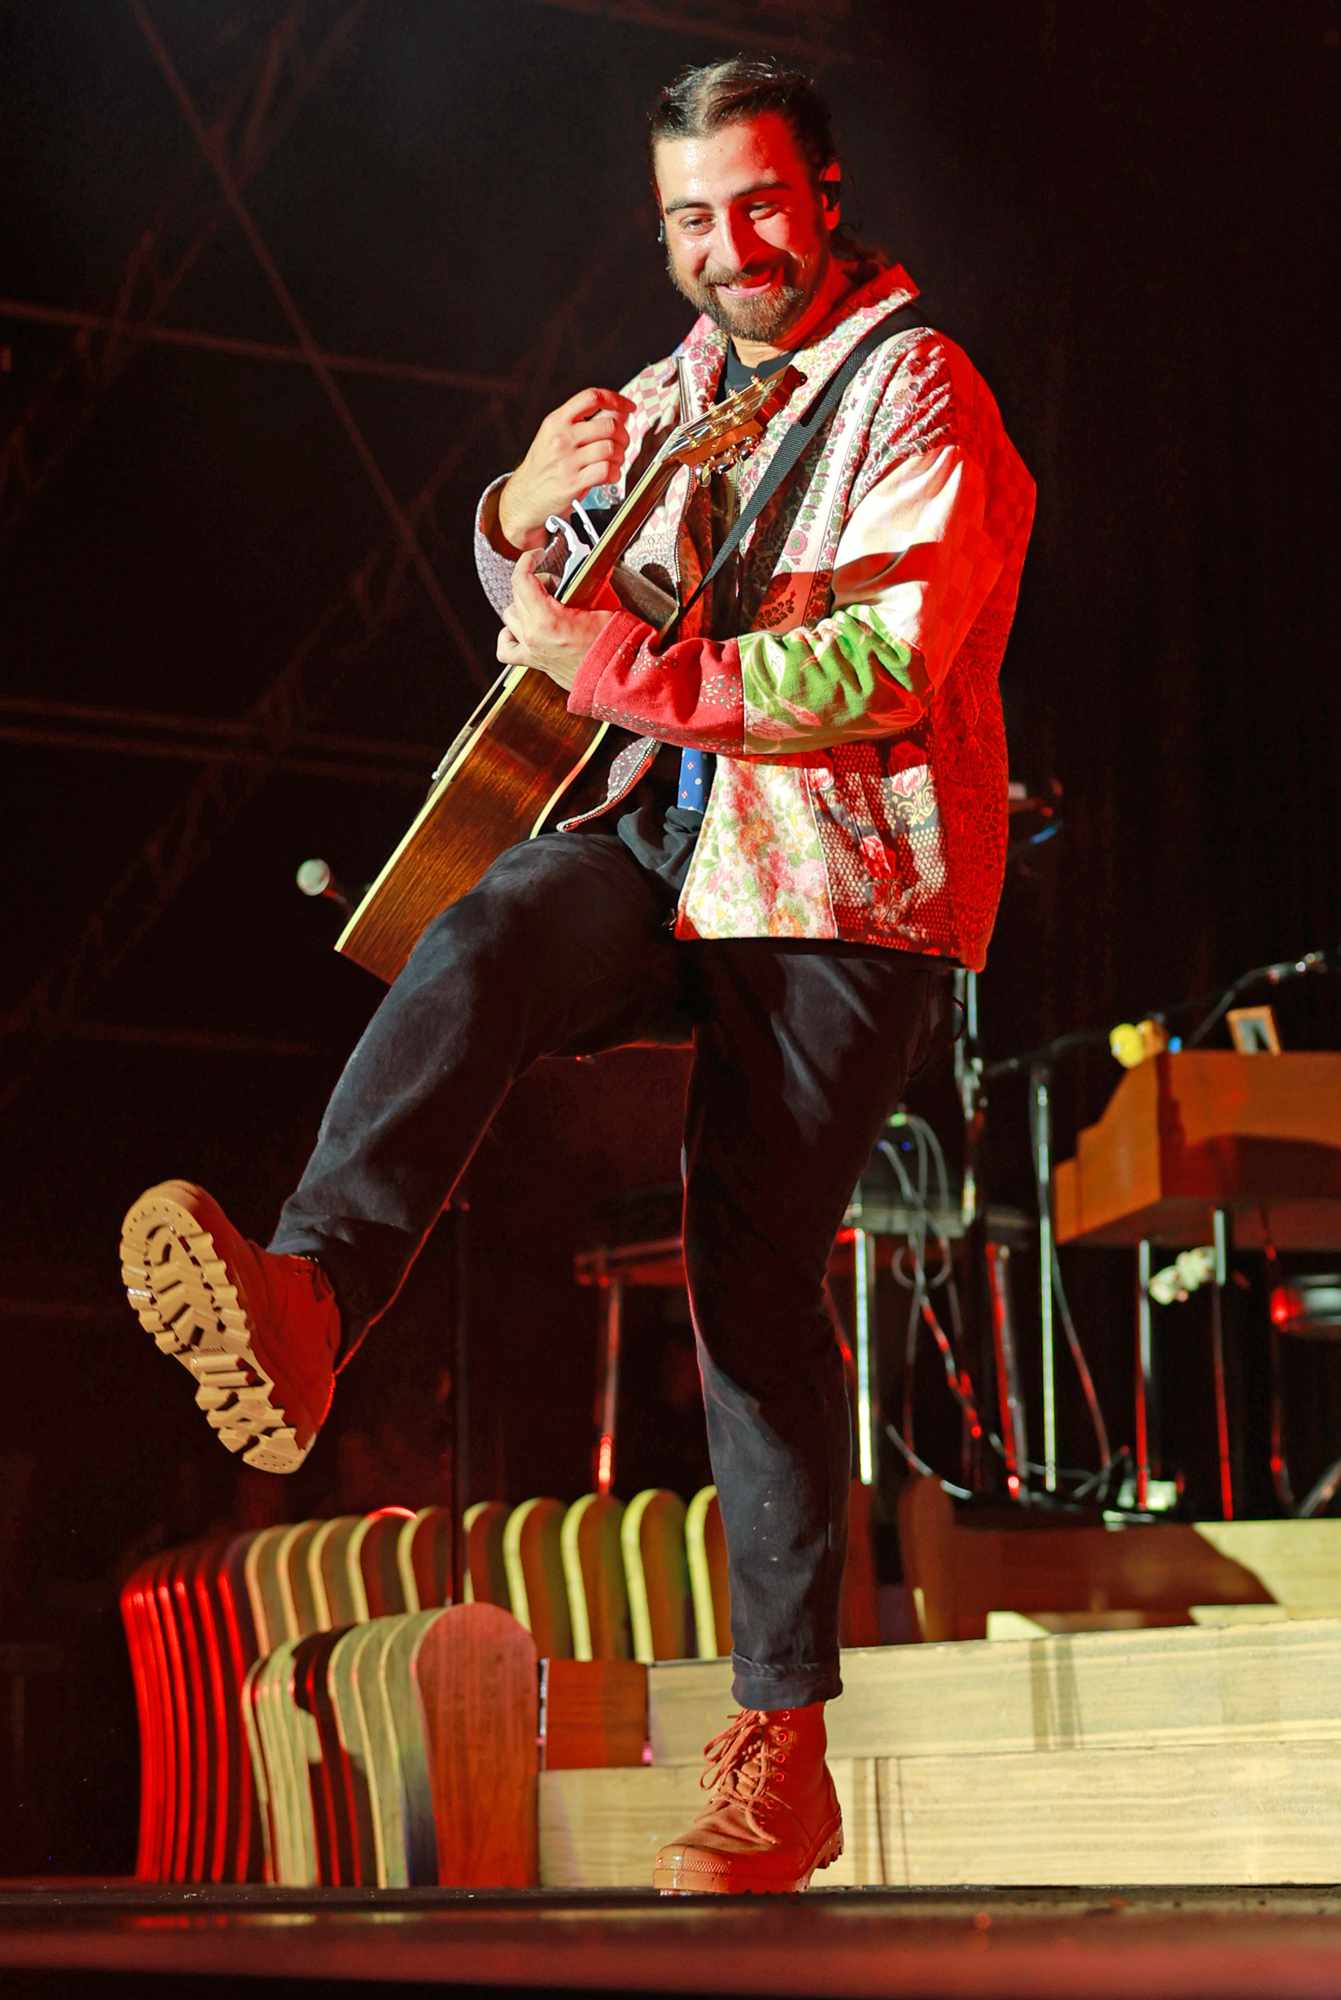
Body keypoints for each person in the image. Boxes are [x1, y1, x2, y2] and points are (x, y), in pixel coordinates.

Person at [119, 57, 1034, 1895]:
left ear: (828, 193)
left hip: (845, 875)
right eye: (692, 218)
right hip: (671, 833)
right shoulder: (692, 380)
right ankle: (308, 1303)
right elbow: (572, 601)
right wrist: (513, 511)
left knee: (745, 1267)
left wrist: (610, 659)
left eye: (760, 205)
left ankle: (778, 1753)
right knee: (481, 933)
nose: (728, 248)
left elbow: (874, 674)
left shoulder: (922, 390)